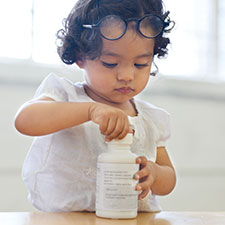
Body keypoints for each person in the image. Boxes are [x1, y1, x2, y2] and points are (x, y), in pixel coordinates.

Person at [15, 0, 176, 212]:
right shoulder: (66, 95)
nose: (127, 76)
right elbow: (25, 120)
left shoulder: (151, 118)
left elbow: (169, 178)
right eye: (110, 63)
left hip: (129, 219)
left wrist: (154, 173)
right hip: (65, 220)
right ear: (81, 56)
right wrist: (91, 110)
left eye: (140, 64)